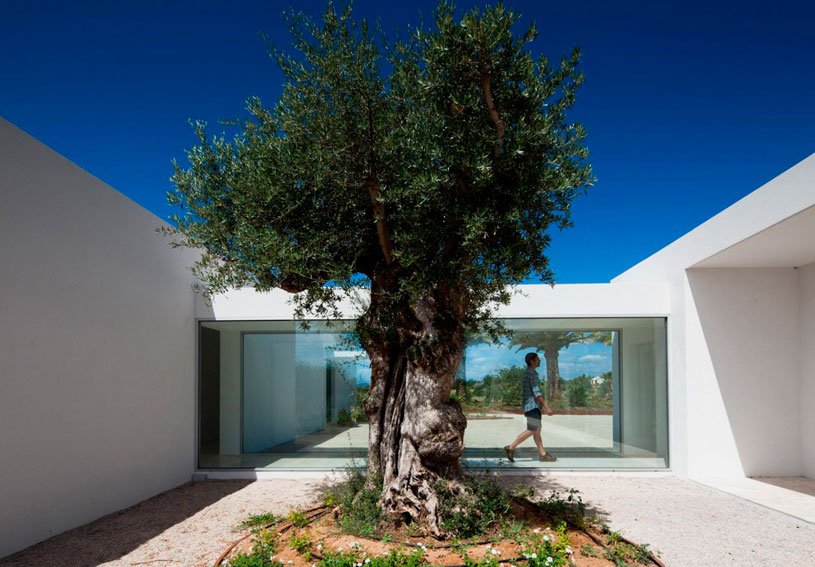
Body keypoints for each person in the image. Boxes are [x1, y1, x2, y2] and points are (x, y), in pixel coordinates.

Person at [504, 352, 557, 462]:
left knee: (537, 430)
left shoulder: (529, 373)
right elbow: (537, 392)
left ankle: (543, 454)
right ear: (532, 361)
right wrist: (547, 407)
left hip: (531, 406)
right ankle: (510, 447)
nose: (540, 360)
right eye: (537, 359)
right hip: (532, 406)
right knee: (532, 429)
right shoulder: (531, 374)